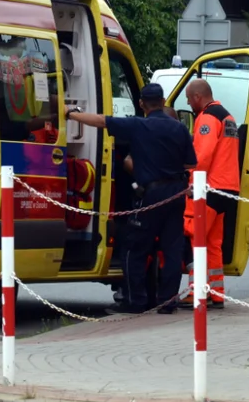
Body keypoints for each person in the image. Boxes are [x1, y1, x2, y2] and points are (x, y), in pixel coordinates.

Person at [66, 83, 195, 314]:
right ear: (164, 102)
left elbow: (101, 121)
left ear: (142, 104)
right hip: (176, 194)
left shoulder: (138, 125)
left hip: (151, 196)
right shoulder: (180, 129)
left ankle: (136, 302)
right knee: (172, 250)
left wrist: (71, 114)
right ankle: (168, 303)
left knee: (134, 249)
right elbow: (191, 163)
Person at [183, 78, 240, 308]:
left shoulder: (207, 118)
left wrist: (191, 181)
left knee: (196, 238)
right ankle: (217, 293)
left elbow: (202, 155)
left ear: (198, 97)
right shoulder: (228, 117)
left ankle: (197, 292)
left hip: (209, 188)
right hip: (228, 189)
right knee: (213, 243)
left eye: (189, 99)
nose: (188, 104)